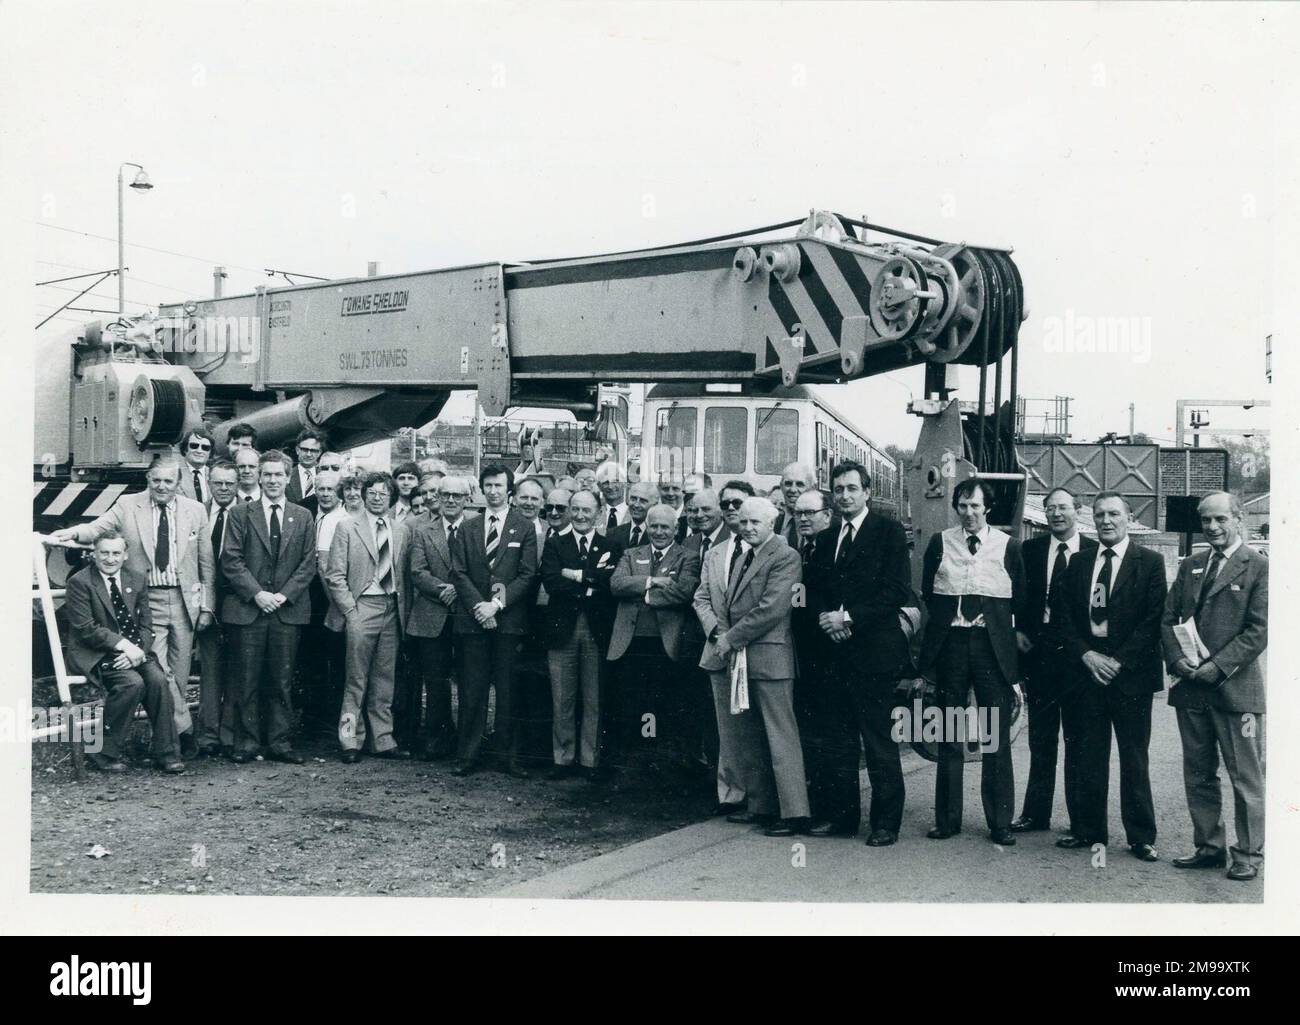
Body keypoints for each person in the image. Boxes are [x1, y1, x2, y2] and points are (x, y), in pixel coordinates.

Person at [53, 454, 214, 759]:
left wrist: (207, 606)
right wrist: (74, 533)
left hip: (184, 601)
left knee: (179, 674)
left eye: (168, 481)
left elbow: (206, 562)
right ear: (148, 480)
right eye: (156, 481)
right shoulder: (129, 505)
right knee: (161, 671)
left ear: (179, 483)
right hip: (146, 598)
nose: (162, 486)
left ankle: (168, 736)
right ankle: (182, 734)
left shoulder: (195, 511)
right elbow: (99, 527)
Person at [800, 463, 914, 845]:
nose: (845, 495)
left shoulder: (888, 532)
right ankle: (843, 818)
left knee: (878, 740)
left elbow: (896, 590)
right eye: (838, 489)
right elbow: (813, 589)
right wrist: (825, 619)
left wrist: (846, 618)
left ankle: (885, 823)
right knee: (839, 740)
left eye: (852, 488)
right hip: (834, 653)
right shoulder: (828, 537)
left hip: (874, 654)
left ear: (866, 492)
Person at [1050, 491, 1166, 861]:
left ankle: (1141, 836)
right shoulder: (1080, 563)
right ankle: (1088, 829)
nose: (1106, 521)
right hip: (1087, 674)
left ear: (1129, 517)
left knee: (1134, 758)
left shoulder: (1149, 562)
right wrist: (1086, 655)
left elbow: (1153, 620)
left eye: (1114, 514)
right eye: (1100, 514)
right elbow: (1063, 617)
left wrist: (1117, 660)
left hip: (1130, 676)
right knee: (1088, 756)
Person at [1162, 492, 1268, 881]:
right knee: (1199, 773)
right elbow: (1168, 618)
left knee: (1245, 777)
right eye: (1206, 520)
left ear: (1238, 519)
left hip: (1236, 691)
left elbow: (1258, 632)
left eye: (1221, 519)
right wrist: (1177, 661)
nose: (1212, 527)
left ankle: (1248, 854)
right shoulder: (1191, 564)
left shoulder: (1258, 566)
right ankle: (1208, 846)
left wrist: (1216, 668)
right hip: (1191, 688)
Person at [919, 478, 1027, 846]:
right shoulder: (940, 542)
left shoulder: (1009, 546)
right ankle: (947, 820)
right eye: (962, 506)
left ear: (988, 509)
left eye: (975, 507)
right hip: (952, 642)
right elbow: (927, 593)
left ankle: (1000, 821)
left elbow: (1021, 598)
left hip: (989, 645)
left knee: (994, 733)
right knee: (948, 731)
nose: (968, 513)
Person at [694, 496, 808, 836]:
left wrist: (730, 639)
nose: (747, 527)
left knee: (780, 736)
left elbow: (772, 608)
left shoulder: (785, 556)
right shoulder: (746, 556)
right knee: (751, 735)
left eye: (755, 522)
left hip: (769, 657)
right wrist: (725, 635)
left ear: (771, 523)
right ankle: (761, 806)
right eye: (743, 522)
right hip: (742, 657)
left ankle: (793, 813)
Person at [219, 450, 317, 764]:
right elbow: (231, 560)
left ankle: (280, 743)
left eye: (279, 475)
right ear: (259, 477)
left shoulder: (302, 516)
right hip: (249, 609)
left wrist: (284, 595)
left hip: (286, 611)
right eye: (268, 474)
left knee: (282, 679)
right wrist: (258, 594)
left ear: (289, 479)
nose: (273, 480)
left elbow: (307, 564)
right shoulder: (240, 514)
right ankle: (246, 743)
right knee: (245, 679)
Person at [1011, 488, 1097, 833]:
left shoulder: (1093, 551)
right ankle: (1035, 814)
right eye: (1050, 508)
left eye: (1063, 507)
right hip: (1039, 654)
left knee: (1078, 739)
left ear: (1078, 510)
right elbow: (1016, 595)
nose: (1056, 514)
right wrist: (1017, 630)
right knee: (1041, 739)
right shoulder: (1030, 550)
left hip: (1077, 658)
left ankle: (1080, 821)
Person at [63, 531, 184, 773]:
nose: (110, 559)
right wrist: (125, 646)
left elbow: (147, 625)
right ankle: (102, 753)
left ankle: (167, 753)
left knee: (158, 681)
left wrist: (137, 651)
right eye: (104, 553)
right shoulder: (80, 582)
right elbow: (87, 629)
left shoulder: (136, 579)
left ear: (125, 555)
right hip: (97, 652)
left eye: (116, 553)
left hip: (135, 651)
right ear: (93, 554)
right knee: (132, 684)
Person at [449, 463, 537, 776]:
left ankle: (506, 757)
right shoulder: (467, 527)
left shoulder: (523, 527)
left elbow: (527, 575)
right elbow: (458, 572)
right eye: (488, 485)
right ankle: (468, 756)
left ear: (509, 491)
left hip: (508, 621)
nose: (494, 491)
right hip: (473, 622)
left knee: (508, 691)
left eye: (499, 486)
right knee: (472, 691)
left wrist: (496, 605)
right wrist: (479, 607)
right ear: (481, 489)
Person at [324, 471, 413, 763]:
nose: (377, 498)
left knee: (385, 678)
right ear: (364, 496)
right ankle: (350, 739)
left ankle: (383, 740)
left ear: (391, 497)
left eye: (383, 493)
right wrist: (350, 610)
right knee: (355, 678)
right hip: (362, 607)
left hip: (391, 609)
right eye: (372, 493)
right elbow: (334, 575)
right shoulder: (346, 527)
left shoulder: (401, 530)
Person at [608, 504, 701, 774]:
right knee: (632, 699)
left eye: (665, 527)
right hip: (631, 641)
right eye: (654, 526)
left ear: (676, 529)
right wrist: (653, 581)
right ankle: (636, 757)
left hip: (665, 643)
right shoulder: (630, 553)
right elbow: (616, 585)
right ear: (646, 527)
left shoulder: (688, 556)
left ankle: (658, 759)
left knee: (661, 700)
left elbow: (684, 591)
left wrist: (644, 595)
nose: (659, 532)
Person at [538, 489, 617, 778]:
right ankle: (563, 758)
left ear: (598, 512)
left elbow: (608, 583)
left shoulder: (610, 545)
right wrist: (589, 581)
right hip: (562, 630)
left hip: (596, 629)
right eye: (576, 510)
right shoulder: (555, 545)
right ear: (570, 511)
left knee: (594, 698)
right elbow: (552, 582)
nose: (581, 516)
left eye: (587, 510)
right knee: (562, 698)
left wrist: (574, 575)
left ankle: (589, 760)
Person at [405, 474, 472, 760]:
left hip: (468, 614)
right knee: (435, 681)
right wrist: (442, 590)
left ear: (467, 499)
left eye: (457, 496)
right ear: (438, 499)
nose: (451, 500)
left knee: (470, 680)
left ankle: (467, 742)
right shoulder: (423, 530)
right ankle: (436, 737)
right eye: (445, 495)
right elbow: (417, 572)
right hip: (432, 614)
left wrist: (459, 590)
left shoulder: (476, 528)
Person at [681, 487, 734, 807]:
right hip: (694, 636)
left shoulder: (731, 539)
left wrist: (718, 632)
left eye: (705, 509)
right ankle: (706, 777)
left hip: (722, 637)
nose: (699, 515)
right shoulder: (689, 542)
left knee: (723, 715)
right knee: (698, 707)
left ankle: (724, 781)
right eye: (693, 510)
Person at [299, 469, 348, 737]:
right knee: (311, 660)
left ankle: (333, 718)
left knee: (337, 658)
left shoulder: (343, 518)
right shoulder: (308, 513)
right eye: (321, 489)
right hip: (308, 599)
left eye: (330, 489)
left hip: (333, 599)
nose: (325, 494)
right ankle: (312, 717)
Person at [194, 459, 239, 756]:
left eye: (229, 484)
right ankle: (208, 735)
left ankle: (229, 734)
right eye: (218, 483)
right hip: (206, 603)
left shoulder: (246, 513)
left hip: (238, 602)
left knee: (237, 671)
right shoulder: (197, 513)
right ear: (208, 482)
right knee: (209, 670)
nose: (223, 489)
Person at [773, 462, 817, 546]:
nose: (793, 490)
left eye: (800, 484)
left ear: (813, 488)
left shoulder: (821, 523)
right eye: (788, 484)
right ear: (781, 486)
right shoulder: (773, 522)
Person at [606, 481, 656, 550]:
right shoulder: (612, 534)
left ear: (653, 505)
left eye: (642, 501)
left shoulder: (657, 535)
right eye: (633, 499)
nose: (636, 505)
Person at [285, 428, 328, 510]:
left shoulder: (326, 474)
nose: (309, 454)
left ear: (319, 453)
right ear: (297, 450)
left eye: (314, 450)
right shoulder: (286, 476)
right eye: (305, 449)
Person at [177, 426, 215, 507]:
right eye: (194, 446)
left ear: (210, 452)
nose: (199, 451)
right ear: (185, 449)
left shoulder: (215, 474)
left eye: (205, 448)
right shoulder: (174, 473)